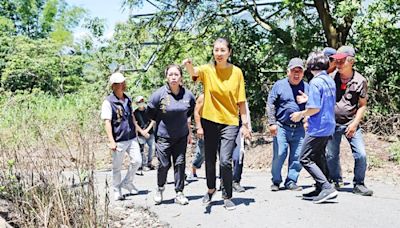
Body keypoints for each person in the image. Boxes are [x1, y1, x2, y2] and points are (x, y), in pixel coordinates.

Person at [182, 37, 251, 211]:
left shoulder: (237, 72)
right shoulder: (207, 70)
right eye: (216, 50)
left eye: (222, 50)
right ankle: (211, 189)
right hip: (210, 120)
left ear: (229, 52)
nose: (219, 53)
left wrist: (245, 124)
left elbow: (241, 101)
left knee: (226, 160)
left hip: (230, 121)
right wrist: (188, 64)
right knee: (210, 159)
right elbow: (193, 74)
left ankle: (227, 195)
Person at [290, 51, 337, 204]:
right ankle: (320, 188)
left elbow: (315, 108)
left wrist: (301, 114)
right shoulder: (329, 80)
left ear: (311, 65)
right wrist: (308, 99)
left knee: (304, 157)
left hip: (318, 127)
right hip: (329, 125)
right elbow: (323, 101)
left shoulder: (315, 83)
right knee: (318, 156)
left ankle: (326, 186)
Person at [326, 46, 373, 196]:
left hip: (350, 123)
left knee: (361, 154)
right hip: (332, 123)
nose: (338, 62)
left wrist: (354, 124)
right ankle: (335, 180)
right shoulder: (330, 77)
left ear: (351, 61)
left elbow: (362, 105)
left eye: (342, 60)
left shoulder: (360, 81)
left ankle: (359, 184)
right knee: (331, 155)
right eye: (336, 60)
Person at [147, 64, 195, 205]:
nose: (173, 77)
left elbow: (189, 111)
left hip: (181, 136)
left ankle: (179, 192)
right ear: (166, 77)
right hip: (163, 137)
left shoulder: (188, 95)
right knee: (164, 164)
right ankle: (160, 188)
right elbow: (151, 113)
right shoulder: (158, 95)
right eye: (170, 75)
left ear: (181, 77)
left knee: (180, 164)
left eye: (176, 74)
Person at [266, 58, 309, 192]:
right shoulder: (279, 85)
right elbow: (270, 104)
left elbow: (315, 106)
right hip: (282, 126)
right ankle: (276, 181)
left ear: (303, 73)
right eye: (293, 71)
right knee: (280, 153)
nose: (296, 74)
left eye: (299, 71)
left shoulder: (307, 87)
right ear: (287, 72)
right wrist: (272, 123)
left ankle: (291, 181)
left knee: (297, 156)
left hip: (300, 128)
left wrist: (306, 112)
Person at [100, 72, 143, 201]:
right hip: (118, 139)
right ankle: (116, 189)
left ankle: (127, 182)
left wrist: (137, 130)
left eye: (123, 83)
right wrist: (111, 141)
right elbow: (107, 122)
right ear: (113, 86)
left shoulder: (128, 99)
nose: (123, 85)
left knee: (137, 161)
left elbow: (132, 116)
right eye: (119, 83)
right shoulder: (108, 102)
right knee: (117, 167)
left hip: (131, 137)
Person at [232, 101, 252, 193]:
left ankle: (235, 181)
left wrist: (248, 129)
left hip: (238, 128)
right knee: (224, 157)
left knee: (238, 156)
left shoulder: (239, 95)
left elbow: (245, 112)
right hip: (222, 128)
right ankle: (224, 181)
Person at [134, 95, 156, 171]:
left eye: (142, 101)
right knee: (142, 150)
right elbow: (135, 124)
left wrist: (147, 130)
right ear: (136, 103)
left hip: (150, 133)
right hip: (140, 134)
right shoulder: (135, 113)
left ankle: (149, 163)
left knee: (152, 148)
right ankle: (143, 164)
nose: (141, 103)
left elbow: (153, 121)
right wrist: (142, 132)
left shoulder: (148, 110)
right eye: (139, 102)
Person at [187, 94, 205, 181]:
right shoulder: (202, 97)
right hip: (203, 128)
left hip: (217, 128)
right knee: (201, 152)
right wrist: (199, 127)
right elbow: (196, 112)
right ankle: (193, 170)